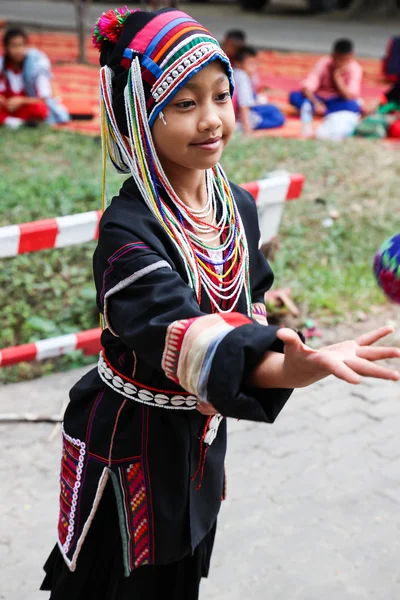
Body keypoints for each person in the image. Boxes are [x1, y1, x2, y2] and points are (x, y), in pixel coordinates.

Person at [40, 7, 400, 600]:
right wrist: (288, 367)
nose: (212, 121)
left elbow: (246, 305)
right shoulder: (127, 232)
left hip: (196, 444)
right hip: (128, 445)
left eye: (221, 97)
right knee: (113, 582)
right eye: (183, 104)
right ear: (138, 117)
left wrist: (288, 358)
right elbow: (178, 328)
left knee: (181, 570)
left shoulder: (235, 205)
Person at [0, 27, 70, 129]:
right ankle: (17, 123)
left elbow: (44, 99)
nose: (18, 50)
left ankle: (11, 122)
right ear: (6, 48)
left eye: (21, 45)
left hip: (27, 105)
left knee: (40, 109)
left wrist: (22, 101)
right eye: (13, 46)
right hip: (8, 106)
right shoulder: (2, 64)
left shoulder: (37, 64)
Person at [289, 38, 363, 117]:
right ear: (333, 55)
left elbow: (349, 96)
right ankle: (325, 112)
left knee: (352, 106)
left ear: (351, 56)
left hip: (338, 100)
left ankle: (315, 112)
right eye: (338, 59)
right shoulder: (324, 62)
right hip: (318, 98)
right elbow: (307, 87)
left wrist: (337, 77)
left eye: (344, 60)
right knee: (294, 96)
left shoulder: (355, 69)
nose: (340, 63)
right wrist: (316, 103)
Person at [234, 45, 285, 134]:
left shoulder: (241, 74)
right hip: (243, 115)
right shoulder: (242, 77)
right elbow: (244, 105)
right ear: (239, 64)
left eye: (255, 63)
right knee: (277, 117)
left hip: (244, 109)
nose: (254, 67)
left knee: (273, 108)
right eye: (250, 64)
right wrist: (248, 130)